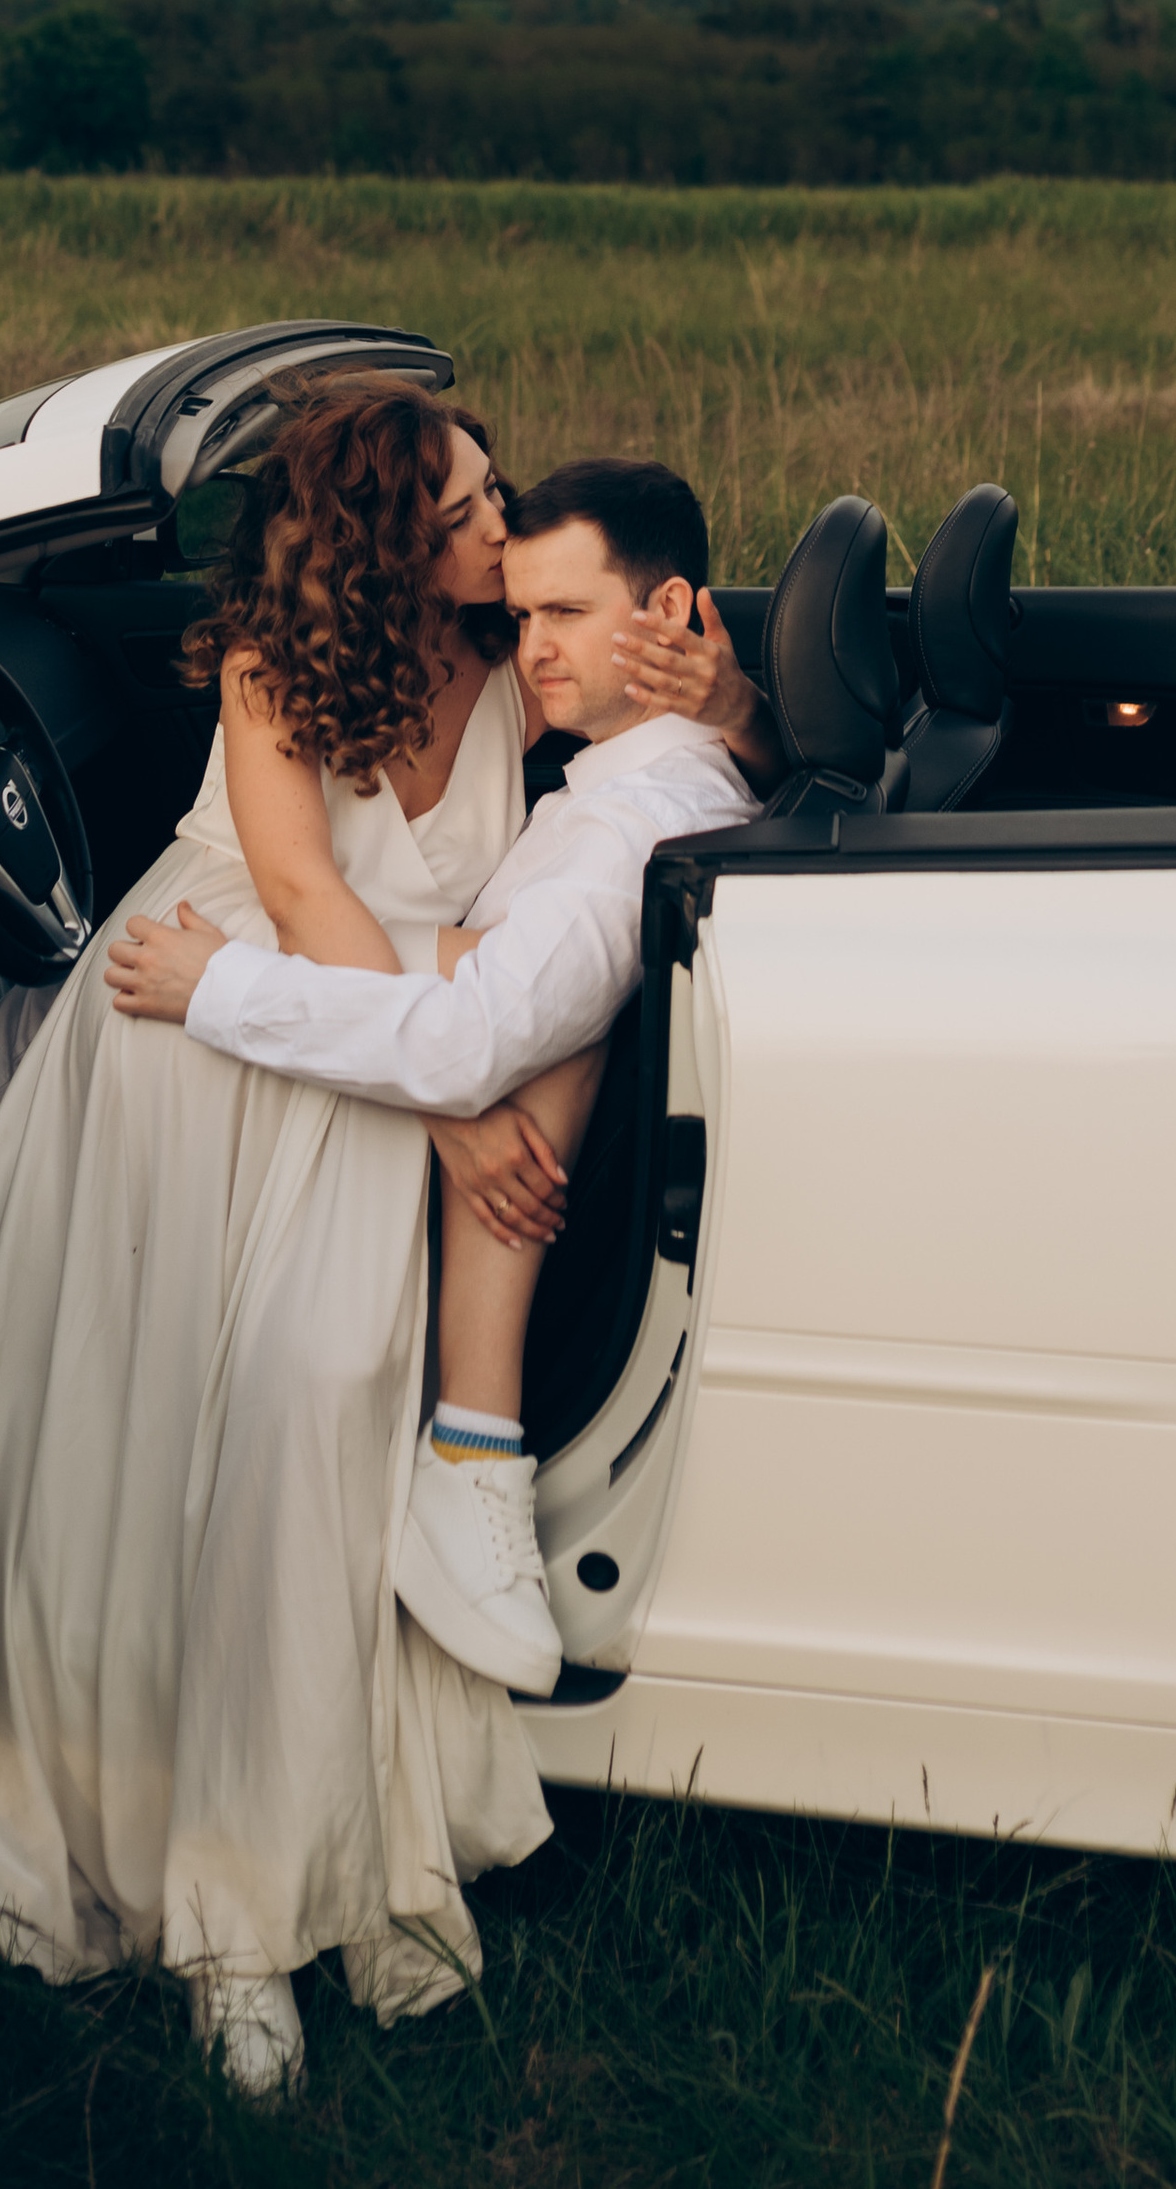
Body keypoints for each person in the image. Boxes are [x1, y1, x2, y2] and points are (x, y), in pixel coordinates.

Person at [0, 381, 764, 2098]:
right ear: (384, 543)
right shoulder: (273, 662)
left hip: (374, 1039)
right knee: (192, 1441)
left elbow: (679, 749)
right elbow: (308, 893)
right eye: (463, 514)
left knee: (324, 1419)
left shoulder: (519, 655)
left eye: (497, 495)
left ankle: (291, 1860)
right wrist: (453, 1107)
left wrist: (733, 692)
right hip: (211, 1036)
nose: (498, 529)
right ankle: (209, 1902)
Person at [105, 456, 762, 1698]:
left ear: (670, 612)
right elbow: (308, 895)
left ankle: (467, 1455)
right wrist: (741, 713)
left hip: (282, 1000)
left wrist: (223, 989)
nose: (531, 639)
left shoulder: (607, 807)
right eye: (520, 605)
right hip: (276, 974)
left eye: (562, 612)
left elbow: (466, 1040)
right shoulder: (590, 738)